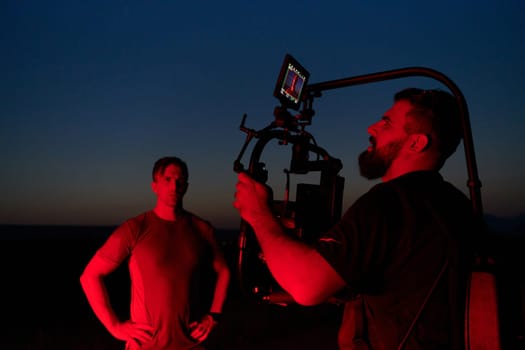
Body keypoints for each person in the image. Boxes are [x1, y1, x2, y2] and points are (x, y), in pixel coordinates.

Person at [234, 88, 474, 349]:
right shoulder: (455, 203)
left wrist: (257, 213)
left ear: (416, 142)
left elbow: (306, 286)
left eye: (387, 123)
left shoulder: (388, 203)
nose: (372, 127)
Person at [81, 156, 230, 350]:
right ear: (155, 186)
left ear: (186, 186)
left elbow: (224, 271)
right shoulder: (136, 228)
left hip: (190, 344)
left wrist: (214, 316)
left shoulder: (201, 229)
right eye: (167, 180)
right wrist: (115, 327)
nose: (174, 186)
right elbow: (90, 276)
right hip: (146, 345)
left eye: (179, 181)